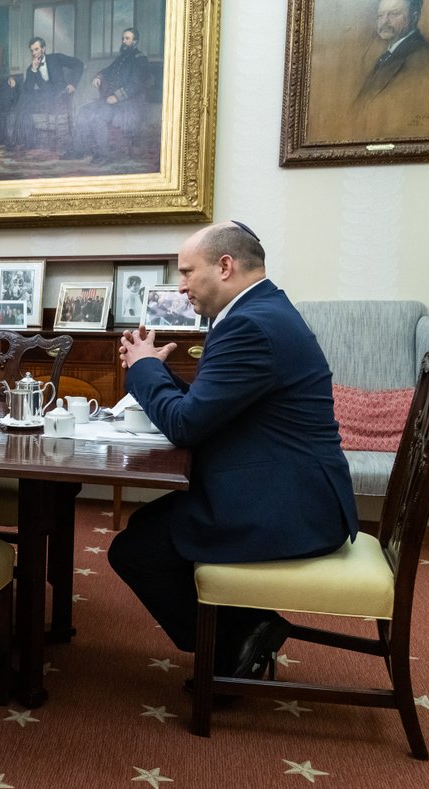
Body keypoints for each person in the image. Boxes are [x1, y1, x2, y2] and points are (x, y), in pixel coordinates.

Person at [108, 221, 358, 684]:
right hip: (293, 488)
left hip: (291, 506)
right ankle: (242, 632)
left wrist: (143, 369)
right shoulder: (265, 311)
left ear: (225, 266)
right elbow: (214, 408)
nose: (181, 287)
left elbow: (186, 425)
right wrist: (158, 376)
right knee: (146, 527)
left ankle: (236, 642)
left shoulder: (249, 325)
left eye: (186, 272)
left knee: (135, 550)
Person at [64, 28, 152, 164]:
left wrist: (117, 97)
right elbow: (108, 70)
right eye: (123, 38)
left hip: (126, 105)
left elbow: (136, 85)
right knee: (83, 111)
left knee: (97, 117)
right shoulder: (122, 58)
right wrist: (99, 77)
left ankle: (104, 155)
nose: (124, 41)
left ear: (135, 41)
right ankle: (78, 150)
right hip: (109, 101)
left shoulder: (140, 60)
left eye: (127, 39)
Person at [355, 0, 429, 108]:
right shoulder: (385, 57)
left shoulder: (428, 61)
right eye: (380, 15)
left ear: (414, 17)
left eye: (394, 14)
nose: (384, 22)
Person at [7, 36, 83, 151]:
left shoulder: (56, 58)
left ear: (43, 49)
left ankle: (18, 140)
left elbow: (79, 64)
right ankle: (27, 140)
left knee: (24, 101)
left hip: (60, 96)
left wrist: (72, 84)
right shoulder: (31, 68)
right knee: (24, 97)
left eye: (36, 49)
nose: (34, 53)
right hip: (45, 98)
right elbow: (28, 89)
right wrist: (33, 70)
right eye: (32, 50)